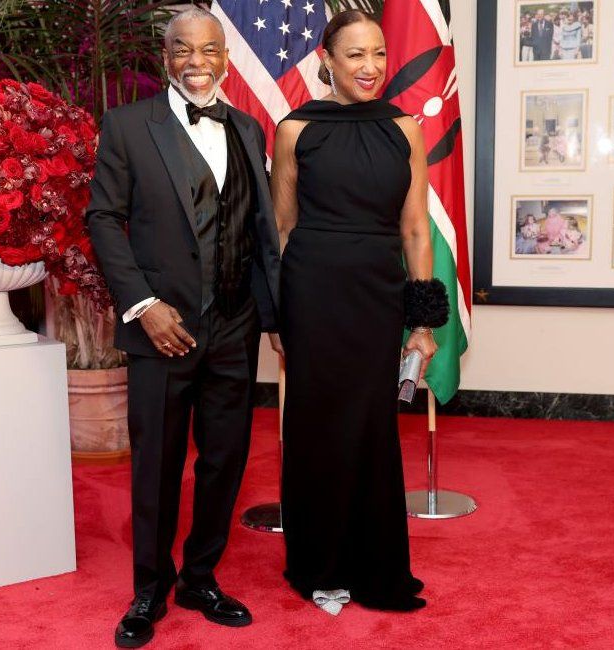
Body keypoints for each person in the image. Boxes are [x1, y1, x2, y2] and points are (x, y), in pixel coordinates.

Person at [86, 8, 281, 647]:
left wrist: (272, 318)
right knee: (159, 464)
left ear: (226, 56)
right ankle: (149, 589)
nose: (197, 61)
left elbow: (258, 232)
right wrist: (143, 303)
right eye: (183, 50)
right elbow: (104, 220)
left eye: (210, 50)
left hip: (234, 326)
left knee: (225, 459)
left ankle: (200, 576)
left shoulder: (249, 128)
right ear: (164, 55)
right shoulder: (126, 126)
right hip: (161, 327)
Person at [269, 10, 448, 615]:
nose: (370, 68)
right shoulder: (295, 129)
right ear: (327, 57)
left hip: (377, 295)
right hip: (312, 294)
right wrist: (278, 317)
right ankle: (318, 566)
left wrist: (421, 321)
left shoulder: (404, 129)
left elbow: (416, 229)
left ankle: (373, 566)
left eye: (378, 54)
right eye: (355, 56)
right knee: (317, 429)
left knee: (371, 430)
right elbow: (283, 229)